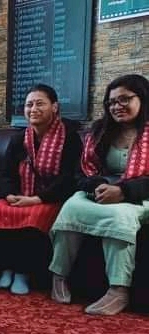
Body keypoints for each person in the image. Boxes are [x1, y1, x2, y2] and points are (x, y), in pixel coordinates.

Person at [49, 74, 149, 315]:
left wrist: (124, 191)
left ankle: (118, 290)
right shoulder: (99, 131)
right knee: (72, 206)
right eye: (112, 102)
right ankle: (58, 277)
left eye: (124, 99)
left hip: (140, 194)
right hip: (102, 190)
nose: (117, 106)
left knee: (119, 216)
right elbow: (81, 174)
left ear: (143, 99)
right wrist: (97, 186)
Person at [0, 84, 82, 295]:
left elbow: (68, 178)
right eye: (29, 105)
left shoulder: (70, 137)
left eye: (39, 103)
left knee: (35, 214)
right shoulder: (19, 138)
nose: (33, 109)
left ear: (54, 107)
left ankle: (23, 272)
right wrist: (10, 194)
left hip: (52, 197)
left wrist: (38, 199)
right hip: (21, 194)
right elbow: (6, 173)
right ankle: (6, 268)